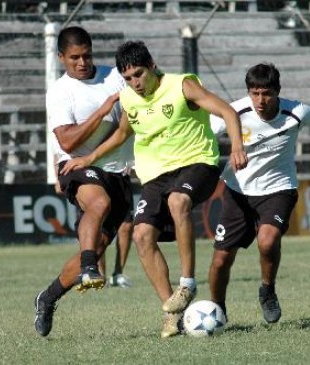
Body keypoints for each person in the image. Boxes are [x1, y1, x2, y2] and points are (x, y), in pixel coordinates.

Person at [62, 41, 248, 338]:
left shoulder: (181, 85)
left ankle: (187, 284)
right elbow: (123, 133)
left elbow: (227, 111)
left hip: (197, 163)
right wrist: (89, 157)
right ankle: (171, 313)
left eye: (139, 74)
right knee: (141, 234)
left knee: (178, 201)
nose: (135, 83)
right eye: (128, 78)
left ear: (151, 65)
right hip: (155, 176)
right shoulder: (129, 98)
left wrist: (237, 145)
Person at [207, 63, 310, 324]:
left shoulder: (295, 111)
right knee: (221, 259)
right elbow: (202, 134)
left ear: (277, 91)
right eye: (254, 93)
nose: (260, 100)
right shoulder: (234, 112)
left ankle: (267, 290)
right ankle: (217, 310)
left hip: (279, 188)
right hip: (237, 190)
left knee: (267, 241)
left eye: (266, 93)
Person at [34, 26, 134, 337]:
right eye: (74, 57)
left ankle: (47, 298)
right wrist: (103, 109)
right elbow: (66, 140)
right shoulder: (60, 91)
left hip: (117, 170)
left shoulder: (115, 76)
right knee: (98, 203)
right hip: (76, 164)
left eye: (87, 55)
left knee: (99, 244)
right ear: (61, 57)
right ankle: (91, 265)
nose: (82, 62)